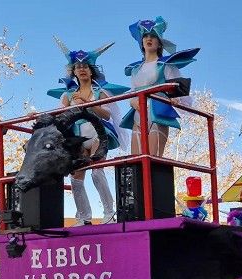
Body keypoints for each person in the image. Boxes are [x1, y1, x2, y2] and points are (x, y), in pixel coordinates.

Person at [48, 38, 129, 226]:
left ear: (92, 70)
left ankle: (109, 213)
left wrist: (87, 104)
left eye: (85, 66)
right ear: (73, 71)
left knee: (97, 172)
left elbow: (107, 115)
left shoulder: (99, 91)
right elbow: (57, 113)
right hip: (78, 136)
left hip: (98, 133)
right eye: (78, 67)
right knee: (76, 178)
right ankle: (83, 216)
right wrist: (38, 115)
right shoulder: (68, 95)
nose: (82, 69)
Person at [121, 17, 199, 157]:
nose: (148, 39)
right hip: (138, 114)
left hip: (158, 113)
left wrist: (177, 100)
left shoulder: (165, 64)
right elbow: (132, 91)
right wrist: (132, 102)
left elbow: (177, 88)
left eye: (153, 36)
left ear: (159, 44)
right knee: (136, 162)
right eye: (145, 36)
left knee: (153, 159)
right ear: (142, 42)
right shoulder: (135, 69)